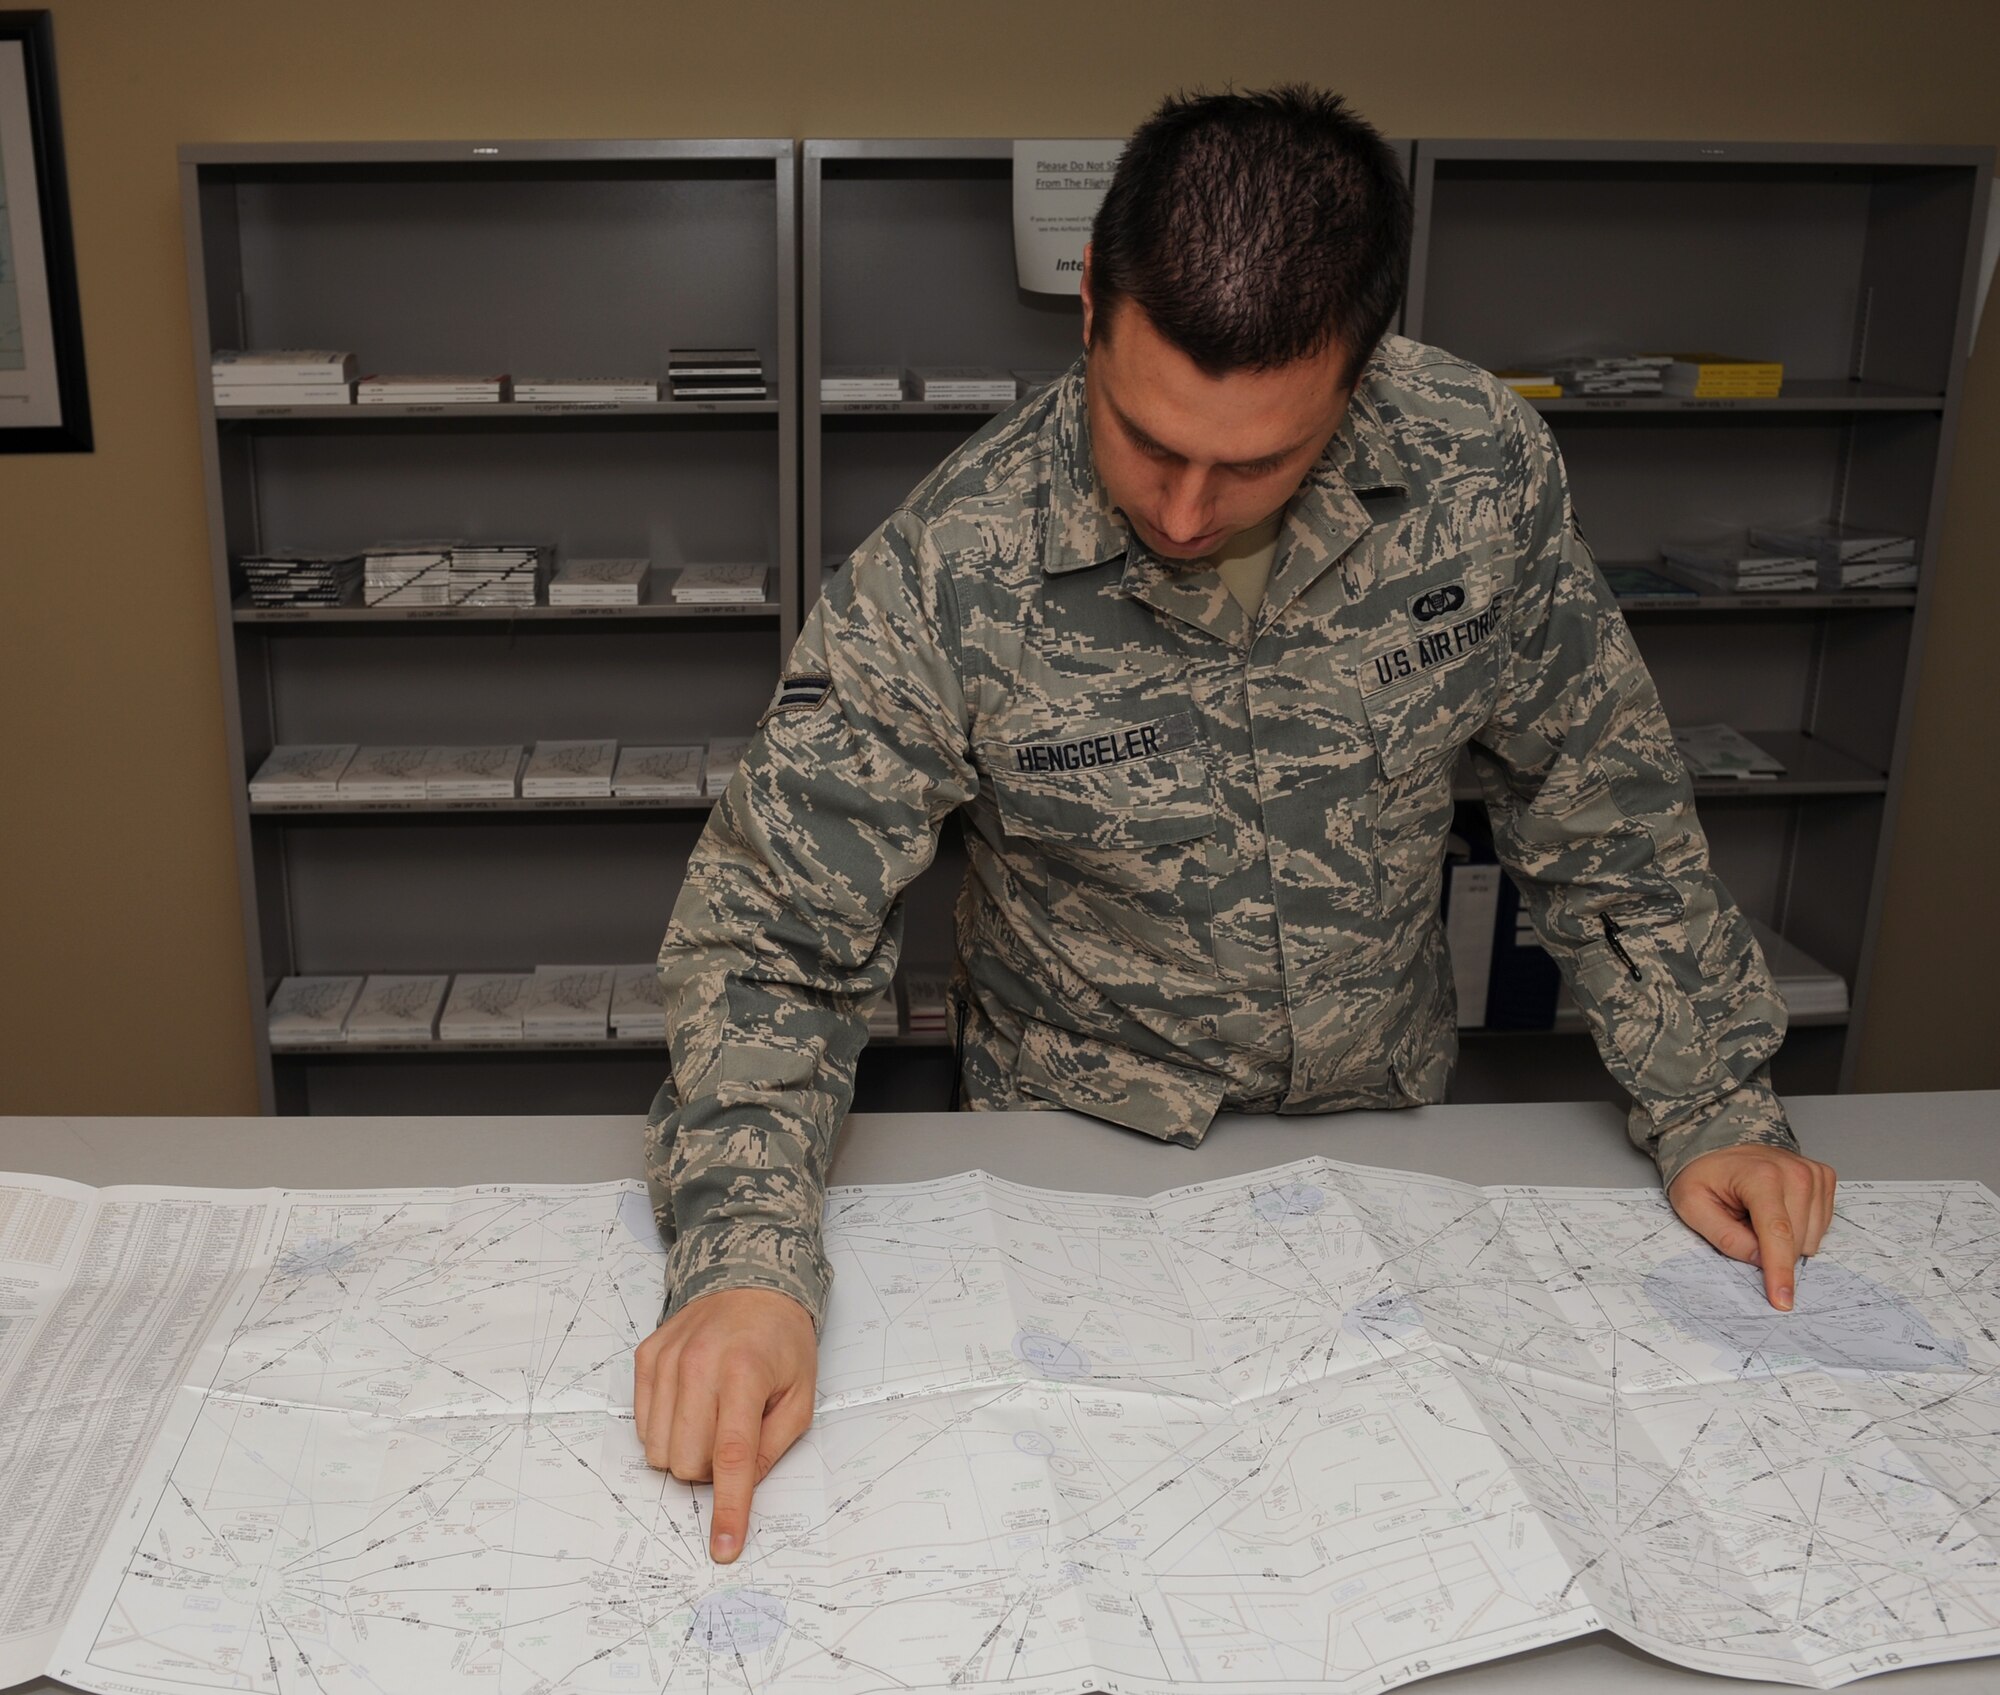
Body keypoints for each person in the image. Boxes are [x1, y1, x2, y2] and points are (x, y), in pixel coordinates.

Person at [631, 87, 1838, 1563]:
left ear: (1363, 365)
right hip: (1077, 1173)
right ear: (1089, 301)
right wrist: (745, 1261)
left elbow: (1600, 804)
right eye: (1146, 441)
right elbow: (769, 938)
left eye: (1256, 461)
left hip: (1386, 1149)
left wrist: (1713, 1097)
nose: (1188, 513)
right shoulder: (954, 566)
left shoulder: (1480, 474)